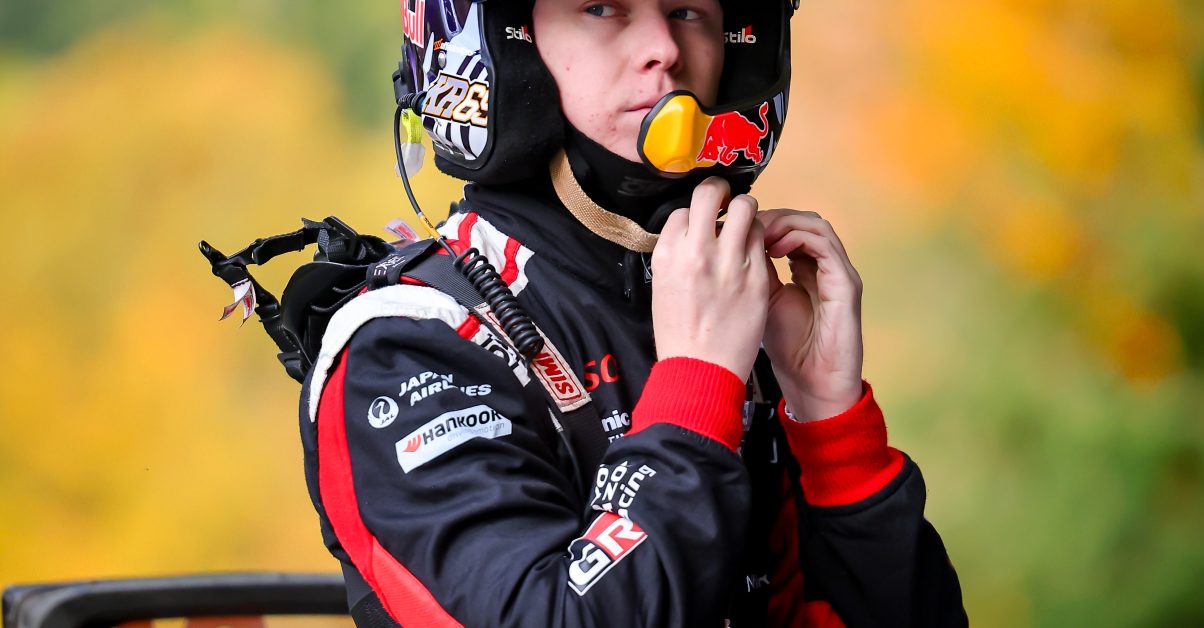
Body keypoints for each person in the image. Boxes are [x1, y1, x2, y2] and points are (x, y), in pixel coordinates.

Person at [297, 1, 968, 626]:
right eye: (602, 7)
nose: (665, 48)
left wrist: (833, 432)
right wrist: (696, 388)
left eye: (688, 9)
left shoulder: (742, 307)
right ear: (507, 44)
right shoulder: (405, 343)